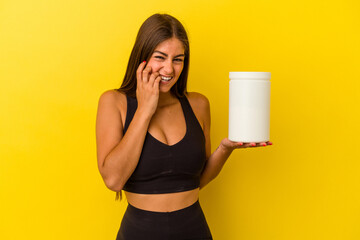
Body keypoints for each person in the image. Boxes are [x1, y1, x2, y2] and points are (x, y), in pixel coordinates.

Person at [96, 13, 272, 240]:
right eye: (160, 57)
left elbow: (196, 180)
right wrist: (145, 109)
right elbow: (113, 180)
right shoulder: (114, 102)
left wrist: (226, 148)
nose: (169, 70)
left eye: (178, 59)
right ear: (142, 57)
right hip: (139, 232)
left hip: (194, 229)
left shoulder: (198, 104)